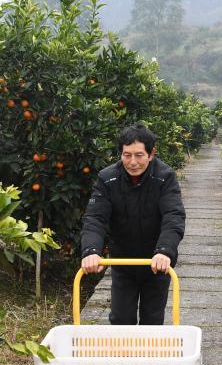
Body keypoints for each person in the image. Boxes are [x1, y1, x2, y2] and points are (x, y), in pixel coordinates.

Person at [80, 124, 186, 325]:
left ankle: (149, 357)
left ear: (151, 153)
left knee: (152, 320)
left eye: (139, 155)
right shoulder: (107, 178)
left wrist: (165, 250)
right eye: (127, 155)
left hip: (156, 263)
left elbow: (173, 216)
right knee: (121, 319)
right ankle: (124, 357)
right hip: (123, 262)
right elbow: (95, 218)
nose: (132, 162)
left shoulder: (165, 177)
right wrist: (91, 250)